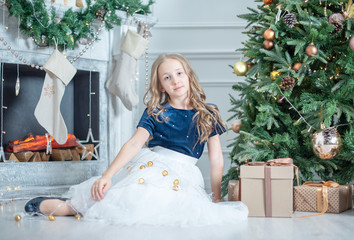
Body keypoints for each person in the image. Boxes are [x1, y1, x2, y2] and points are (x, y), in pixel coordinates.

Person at [24, 53, 248, 226]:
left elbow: (217, 158)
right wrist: (108, 175)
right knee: (109, 202)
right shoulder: (156, 112)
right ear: (161, 86)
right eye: (167, 78)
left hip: (185, 175)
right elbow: (133, 144)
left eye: (179, 73)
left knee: (167, 211)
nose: (175, 81)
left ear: (188, 75)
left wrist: (217, 197)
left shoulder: (208, 113)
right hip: (151, 166)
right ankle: (59, 206)